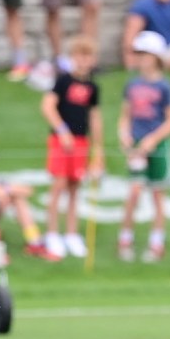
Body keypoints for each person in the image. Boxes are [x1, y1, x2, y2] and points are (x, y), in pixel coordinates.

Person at [116, 30, 170, 263]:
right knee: (133, 193)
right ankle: (125, 239)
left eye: (145, 53)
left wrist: (153, 139)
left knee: (157, 195)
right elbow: (125, 115)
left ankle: (156, 243)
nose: (140, 58)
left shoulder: (164, 86)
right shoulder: (132, 84)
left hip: (158, 146)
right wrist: (123, 134)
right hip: (136, 146)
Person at [39, 34, 102, 259]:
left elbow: (94, 117)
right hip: (61, 141)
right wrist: (61, 129)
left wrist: (98, 149)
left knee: (75, 187)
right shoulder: (63, 81)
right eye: (79, 55)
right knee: (59, 184)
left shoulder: (93, 87)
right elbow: (48, 106)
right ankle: (53, 233)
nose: (83, 61)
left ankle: (72, 234)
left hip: (81, 141)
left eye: (88, 56)